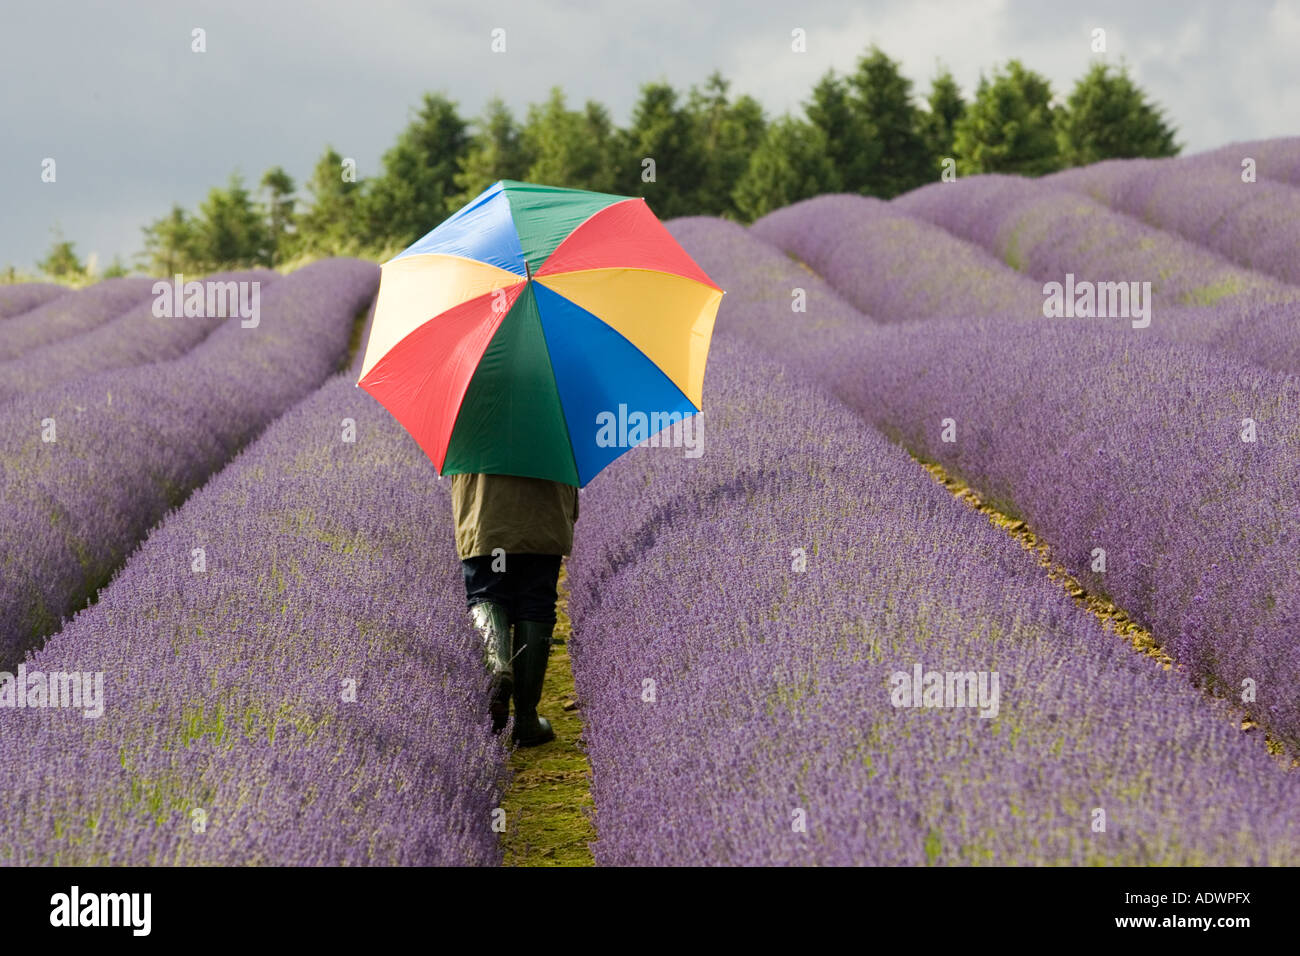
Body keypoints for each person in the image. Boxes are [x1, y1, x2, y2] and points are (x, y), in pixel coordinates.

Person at [452, 472, 579, 746]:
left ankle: (497, 667)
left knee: (487, 592)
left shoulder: (471, 437)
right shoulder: (554, 438)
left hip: (486, 513)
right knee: (535, 603)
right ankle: (526, 719)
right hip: (544, 514)